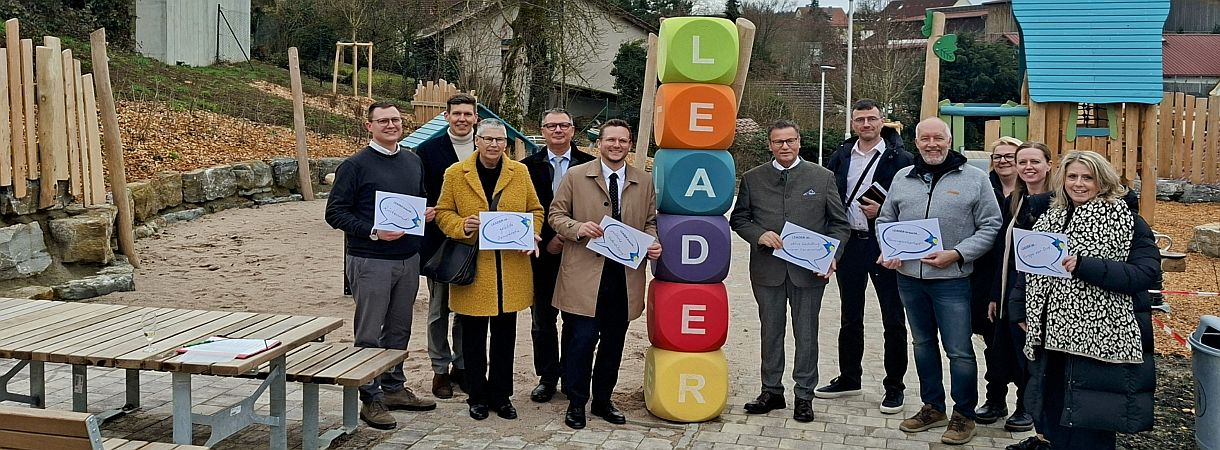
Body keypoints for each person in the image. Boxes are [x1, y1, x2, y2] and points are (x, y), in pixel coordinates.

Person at [1006, 150, 1158, 450]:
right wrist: (1019, 309)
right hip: (1050, 338)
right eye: (1072, 177)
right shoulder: (1050, 217)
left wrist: (1085, 265)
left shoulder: (1128, 221)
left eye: (1087, 177)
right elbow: (1027, 269)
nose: (1078, 184)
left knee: (1092, 428)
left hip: (1100, 341)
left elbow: (1145, 273)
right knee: (1054, 419)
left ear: (1102, 181)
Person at [876, 117, 1001, 445]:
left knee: (959, 350)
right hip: (908, 279)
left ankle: (964, 414)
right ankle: (933, 406)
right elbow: (886, 218)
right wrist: (889, 249)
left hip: (952, 280)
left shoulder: (974, 178)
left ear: (949, 140)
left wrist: (958, 254)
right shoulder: (903, 177)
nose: (932, 144)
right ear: (916, 142)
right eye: (925, 139)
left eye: (938, 138)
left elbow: (991, 225)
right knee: (922, 344)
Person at [324, 101, 438, 430]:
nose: (391, 125)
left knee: (400, 329)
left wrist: (425, 214)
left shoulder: (412, 161)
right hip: (370, 259)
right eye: (383, 120)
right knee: (369, 332)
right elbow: (335, 213)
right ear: (369, 126)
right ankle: (369, 395)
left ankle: (393, 387)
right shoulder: (355, 165)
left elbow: (416, 201)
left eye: (396, 120)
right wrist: (373, 231)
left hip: (407, 259)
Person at [730, 119, 851, 423]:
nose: (785, 146)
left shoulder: (822, 177)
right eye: (778, 142)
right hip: (767, 270)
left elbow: (839, 222)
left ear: (799, 141)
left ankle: (804, 396)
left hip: (809, 272)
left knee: (806, 333)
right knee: (771, 332)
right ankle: (771, 390)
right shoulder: (753, 178)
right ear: (770, 145)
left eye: (790, 141)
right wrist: (758, 234)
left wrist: (832, 255)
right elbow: (739, 218)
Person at [548, 119, 661, 429]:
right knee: (581, 342)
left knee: (613, 343)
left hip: (624, 277)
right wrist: (578, 228)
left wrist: (652, 240)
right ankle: (576, 401)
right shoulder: (575, 176)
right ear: (599, 143)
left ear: (630, 145)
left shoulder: (644, 180)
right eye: (610, 140)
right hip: (585, 276)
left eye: (623, 141)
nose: (616, 145)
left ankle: (602, 400)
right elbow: (555, 215)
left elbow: (650, 221)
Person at [434, 118, 544, 421]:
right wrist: (462, 225)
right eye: (488, 139)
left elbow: (535, 210)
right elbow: (443, 213)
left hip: (510, 268)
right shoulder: (456, 174)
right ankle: (477, 396)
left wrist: (531, 232)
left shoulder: (519, 172)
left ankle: (501, 396)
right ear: (476, 141)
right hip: (474, 269)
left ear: (506, 143)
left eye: (499, 140)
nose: (494, 145)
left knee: (505, 337)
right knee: (472, 337)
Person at [819, 99, 913, 414]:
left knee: (893, 318)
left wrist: (883, 212)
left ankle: (895, 386)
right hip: (851, 244)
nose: (866, 125)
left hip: (885, 244)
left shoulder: (901, 159)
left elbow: (911, 205)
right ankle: (849, 377)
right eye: (860, 120)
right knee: (850, 316)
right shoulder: (841, 156)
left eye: (871, 119)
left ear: (882, 121)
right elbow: (831, 200)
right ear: (853, 123)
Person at [521, 108, 596, 404]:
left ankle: (572, 375)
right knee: (542, 320)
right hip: (541, 254)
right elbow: (524, 208)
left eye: (563, 125)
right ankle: (548, 377)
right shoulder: (525, 167)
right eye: (551, 126)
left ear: (573, 130)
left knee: (576, 320)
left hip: (580, 253)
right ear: (542, 130)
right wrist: (549, 240)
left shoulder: (591, 164)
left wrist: (568, 236)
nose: (557, 130)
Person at [981, 141, 1053, 433]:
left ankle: (1027, 406)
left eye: (1034, 162)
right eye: (1022, 162)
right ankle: (996, 400)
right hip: (1009, 285)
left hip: (1041, 289)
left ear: (1048, 164)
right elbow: (1004, 249)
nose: (1028, 168)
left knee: (1030, 350)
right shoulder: (1018, 201)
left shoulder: (1058, 201)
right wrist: (994, 294)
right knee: (1002, 345)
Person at [416, 93, 479, 399]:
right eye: (457, 114)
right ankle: (439, 368)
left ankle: (462, 366)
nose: (462, 119)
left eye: (468, 114)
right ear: (446, 117)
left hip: (478, 243)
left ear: (475, 118)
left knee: (467, 310)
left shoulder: (488, 148)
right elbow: (419, 193)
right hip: (440, 244)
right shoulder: (427, 150)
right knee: (439, 310)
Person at [973, 136, 1024, 426]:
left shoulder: (1030, 192)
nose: (1003, 161)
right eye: (998, 156)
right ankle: (995, 398)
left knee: (1019, 342)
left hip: (1016, 276)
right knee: (992, 342)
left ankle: (1025, 402)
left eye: (1010, 156)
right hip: (985, 275)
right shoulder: (984, 185)